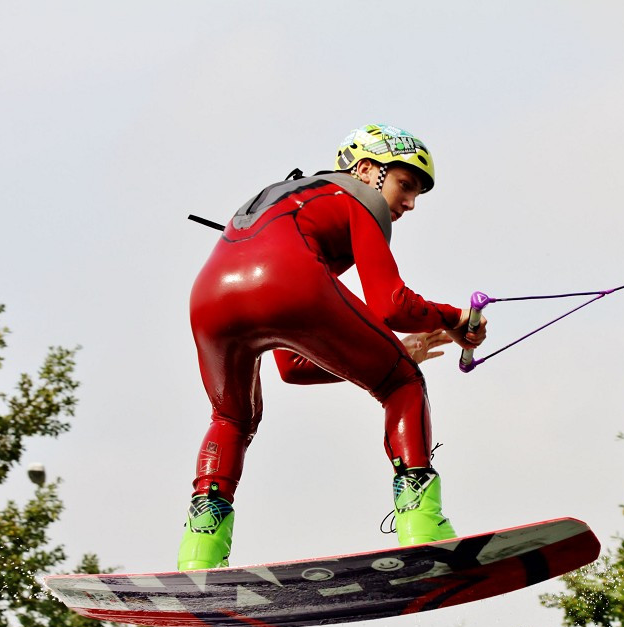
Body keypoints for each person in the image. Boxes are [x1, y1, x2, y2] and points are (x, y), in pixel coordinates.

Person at [179, 123, 487, 571]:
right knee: (402, 383)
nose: (409, 203)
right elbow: (392, 304)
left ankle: (199, 550)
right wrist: (454, 318)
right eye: (405, 184)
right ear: (366, 170)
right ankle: (422, 524)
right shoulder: (355, 196)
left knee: (231, 416)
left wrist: (387, 350)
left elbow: (294, 366)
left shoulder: (297, 202)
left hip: (210, 296)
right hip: (285, 279)